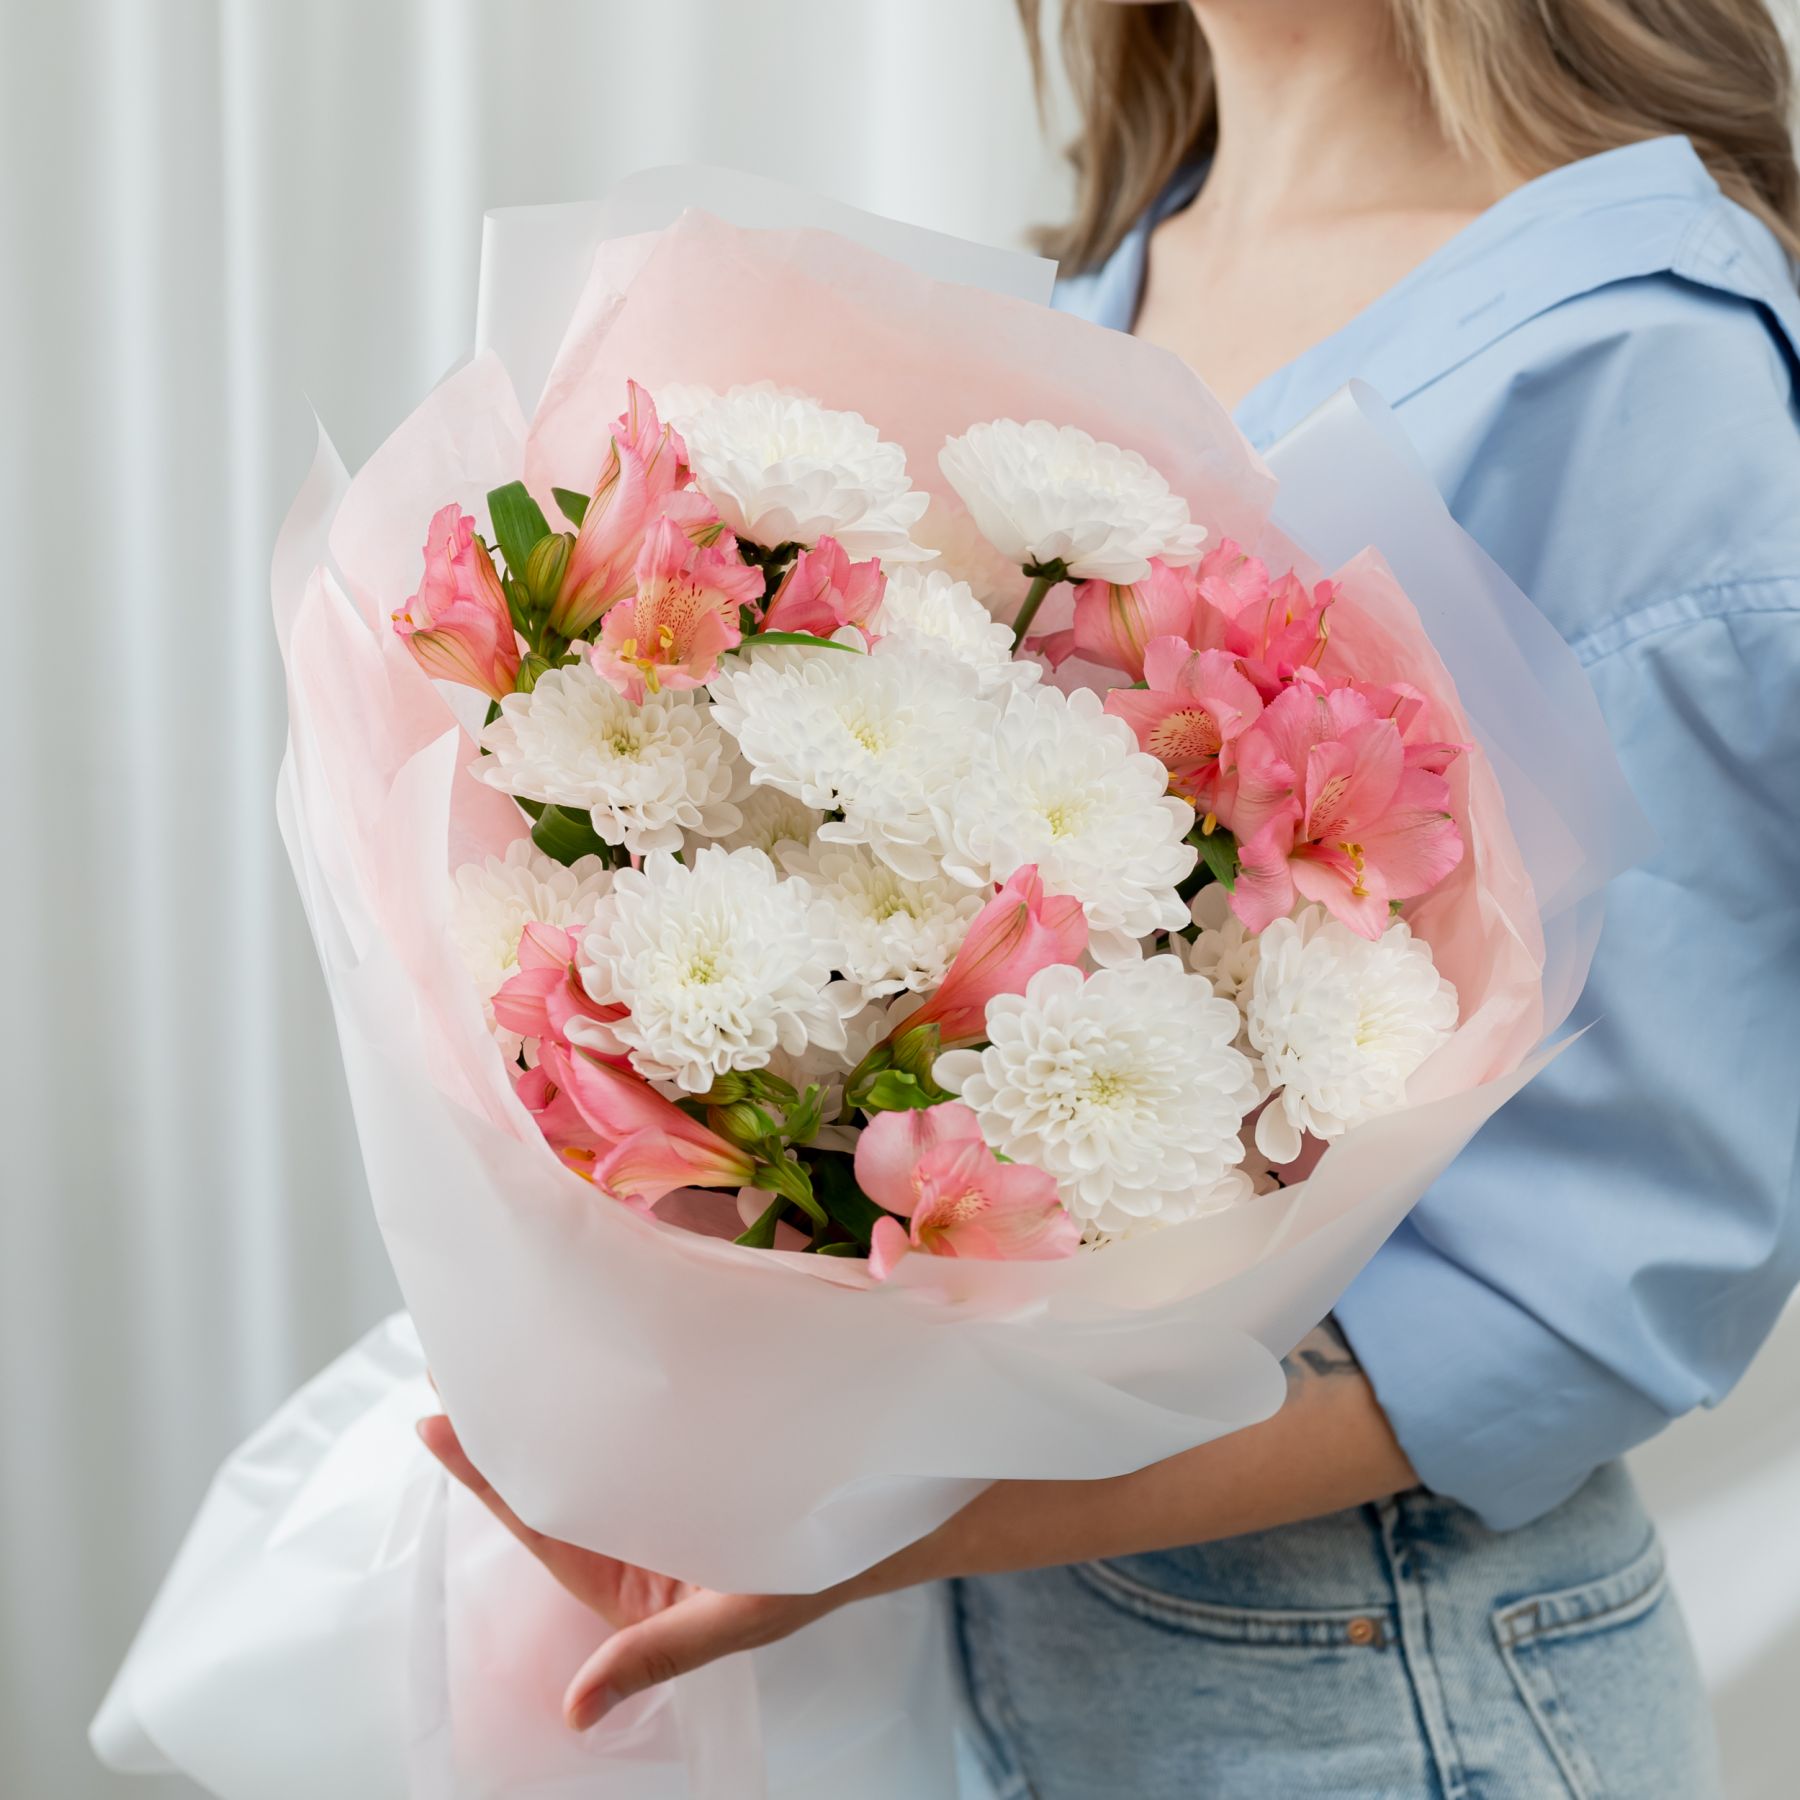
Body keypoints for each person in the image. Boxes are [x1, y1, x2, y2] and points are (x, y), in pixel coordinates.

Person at [420, 2, 1800, 1792]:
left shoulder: (1643, 360)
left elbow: (1600, 1276)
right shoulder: (1129, 261)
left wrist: (872, 1518)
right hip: (1034, 1674)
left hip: (1382, 1690)